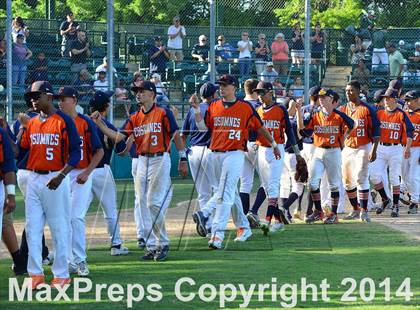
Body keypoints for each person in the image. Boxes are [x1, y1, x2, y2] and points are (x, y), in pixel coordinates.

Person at [91, 80, 188, 261]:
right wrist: (100, 124)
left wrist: (182, 158)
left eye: (141, 91)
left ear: (152, 94)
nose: (138, 94)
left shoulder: (163, 113)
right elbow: (120, 137)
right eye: (136, 91)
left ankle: (163, 242)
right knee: (142, 204)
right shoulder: (135, 117)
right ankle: (151, 246)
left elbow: (175, 135)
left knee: (152, 203)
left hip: (160, 158)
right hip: (142, 160)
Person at [190, 74, 280, 249]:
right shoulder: (213, 106)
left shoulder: (245, 107)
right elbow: (203, 128)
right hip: (214, 154)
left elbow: (260, 127)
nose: (221, 88)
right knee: (229, 192)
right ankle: (244, 227)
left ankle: (215, 231)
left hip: (235, 153)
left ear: (234, 87)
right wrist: (195, 110)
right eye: (220, 85)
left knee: (224, 192)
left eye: (225, 85)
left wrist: (274, 144)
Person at [17, 81, 81, 289]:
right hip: (34, 178)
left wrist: (62, 176)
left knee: (59, 228)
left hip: (55, 177)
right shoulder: (33, 122)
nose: (33, 100)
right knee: (33, 228)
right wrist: (18, 130)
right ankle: (35, 275)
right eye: (31, 97)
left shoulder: (64, 120)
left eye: (37, 96)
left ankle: (61, 275)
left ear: (49, 97)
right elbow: (21, 150)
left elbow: (75, 153)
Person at [56, 87, 103, 277]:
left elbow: (99, 151)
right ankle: (68, 261)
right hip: (61, 175)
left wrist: (88, 172)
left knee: (76, 217)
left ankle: (80, 259)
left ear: (74, 100)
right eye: (58, 99)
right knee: (63, 219)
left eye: (64, 99)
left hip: (82, 174)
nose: (60, 102)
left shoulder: (84, 122)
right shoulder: (56, 122)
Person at [247, 82, 300, 232]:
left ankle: (268, 221)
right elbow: (253, 132)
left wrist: (297, 154)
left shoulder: (280, 109)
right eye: (258, 93)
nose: (260, 96)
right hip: (262, 150)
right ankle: (278, 220)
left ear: (270, 93)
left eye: (262, 92)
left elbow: (289, 131)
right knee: (266, 186)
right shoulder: (257, 110)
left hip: (278, 149)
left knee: (273, 184)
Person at [297, 88, 355, 224]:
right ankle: (318, 211)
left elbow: (352, 124)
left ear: (331, 99)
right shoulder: (315, 114)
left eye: (324, 97)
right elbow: (302, 129)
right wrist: (299, 111)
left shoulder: (339, 115)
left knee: (334, 185)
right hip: (318, 150)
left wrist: (345, 137)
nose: (321, 100)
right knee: (312, 182)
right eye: (320, 98)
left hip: (334, 151)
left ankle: (333, 214)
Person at [87, 91, 130, 255]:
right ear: (106, 106)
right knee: (110, 210)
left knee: (76, 212)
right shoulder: (106, 125)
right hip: (101, 170)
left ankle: (67, 246)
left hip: (82, 171)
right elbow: (121, 150)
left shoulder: (82, 122)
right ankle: (116, 245)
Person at [339, 80, 380, 222]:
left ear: (358, 91)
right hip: (348, 147)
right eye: (346, 90)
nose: (348, 93)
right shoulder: (343, 109)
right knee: (347, 181)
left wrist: (374, 150)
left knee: (361, 178)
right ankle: (355, 209)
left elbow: (376, 130)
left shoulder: (367, 109)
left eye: (351, 90)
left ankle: (364, 211)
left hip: (364, 146)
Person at [370, 89, 414, 217]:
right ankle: (385, 199)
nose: (386, 100)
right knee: (373, 176)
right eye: (384, 98)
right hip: (380, 147)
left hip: (396, 148)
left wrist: (407, 148)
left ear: (395, 99)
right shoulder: (379, 113)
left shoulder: (401, 114)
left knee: (394, 177)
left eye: (388, 98)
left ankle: (395, 206)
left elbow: (410, 132)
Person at [181, 82, 217, 236]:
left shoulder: (192, 110)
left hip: (192, 152)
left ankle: (207, 226)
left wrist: (182, 157)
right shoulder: (215, 108)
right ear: (214, 95)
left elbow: (183, 136)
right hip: (209, 151)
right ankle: (211, 222)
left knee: (203, 193)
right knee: (219, 189)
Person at [239, 79, 260, 219]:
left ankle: (244, 215)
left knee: (245, 183)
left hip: (241, 145)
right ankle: (253, 211)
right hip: (256, 144)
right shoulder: (259, 105)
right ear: (254, 90)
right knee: (267, 181)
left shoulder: (239, 104)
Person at [400, 90, 419, 214]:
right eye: (406, 100)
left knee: (414, 176)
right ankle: (408, 195)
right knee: (405, 176)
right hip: (403, 148)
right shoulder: (404, 114)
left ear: (417, 100)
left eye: (409, 100)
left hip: (417, 148)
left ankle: (415, 202)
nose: (407, 103)